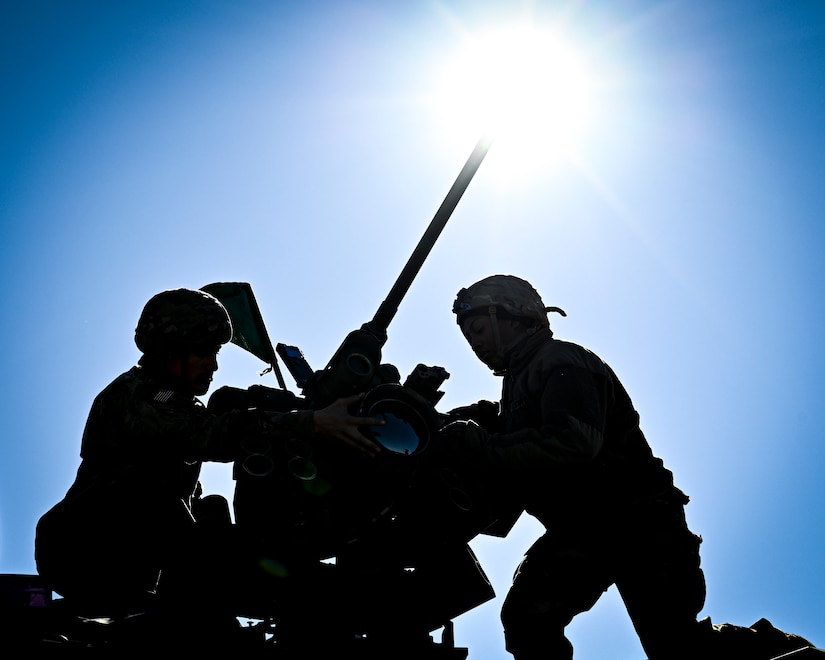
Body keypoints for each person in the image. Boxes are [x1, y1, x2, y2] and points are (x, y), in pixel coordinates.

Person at [34, 287, 384, 646]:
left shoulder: (173, 403)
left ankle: (193, 614)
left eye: (215, 352)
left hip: (132, 560)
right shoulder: (137, 396)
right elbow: (210, 434)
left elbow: (215, 420)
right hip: (83, 551)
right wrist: (311, 422)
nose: (213, 364)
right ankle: (183, 620)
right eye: (204, 351)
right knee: (156, 495)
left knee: (211, 511)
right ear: (170, 350)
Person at [440, 274, 707, 660]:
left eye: (479, 329)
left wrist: (482, 445)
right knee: (526, 619)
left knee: (680, 650)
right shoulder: (518, 383)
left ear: (513, 316)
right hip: (587, 530)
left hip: (641, 524)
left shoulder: (561, 360)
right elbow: (512, 429)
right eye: (469, 339)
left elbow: (573, 441)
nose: (476, 344)